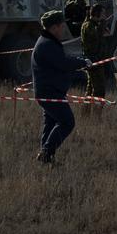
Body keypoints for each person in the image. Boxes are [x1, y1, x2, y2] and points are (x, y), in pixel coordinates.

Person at [32, 11, 91, 163]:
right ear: (54, 27)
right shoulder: (47, 44)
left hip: (50, 91)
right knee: (67, 122)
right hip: (50, 92)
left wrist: (80, 60)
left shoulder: (47, 41)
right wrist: (83, 63)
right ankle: (46, 154)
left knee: (50, 123)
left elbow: (62, 59)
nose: (64, 29)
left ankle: (46, 157)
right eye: (62, 26)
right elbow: (63, 63)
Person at [81, 4, 108, 105]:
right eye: (103, 13)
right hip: (93, 61)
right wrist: (102, 24)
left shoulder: (93, 24)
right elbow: (96, 37)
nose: (104, 15)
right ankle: (96, 114)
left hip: (96, 60)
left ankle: (87, 114)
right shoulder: (89, 25)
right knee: (99, 89)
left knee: (91, 87)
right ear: (97, 13)